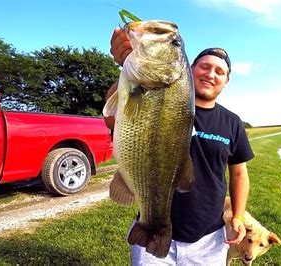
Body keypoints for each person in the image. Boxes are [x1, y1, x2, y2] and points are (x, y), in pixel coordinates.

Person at [105, 27, 254, 265]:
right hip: (152, 226)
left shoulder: (232, 122)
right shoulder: (154, 94)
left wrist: (237, 215)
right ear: (190, 69)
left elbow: (239, 173)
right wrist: (127, 66)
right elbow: (111, 118)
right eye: (204, 66)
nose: (211, 74)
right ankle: (152, 224)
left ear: (226, 81)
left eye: (219, 71)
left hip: (210, 239)